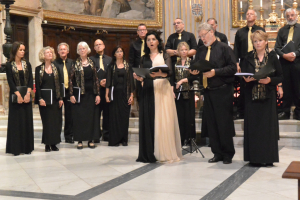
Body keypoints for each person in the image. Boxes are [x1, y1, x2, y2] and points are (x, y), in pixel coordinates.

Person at [134, 31, 182, 163]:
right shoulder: (144, 58)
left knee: (163, 120)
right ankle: (149, 152)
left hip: (162, 88)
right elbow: (143, 74)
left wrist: (159, 74)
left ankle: (164, 152)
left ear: (157, 41)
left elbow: (170, 72)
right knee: (150, 120)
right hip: (148, 89)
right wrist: (139, 77)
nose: (150, 42)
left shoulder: (164, 55)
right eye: (148, 40)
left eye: (153, 39)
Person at [196, 22, 236, 164]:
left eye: (204, 35)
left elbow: (233, 68)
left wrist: (216, 72)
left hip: (223, 90)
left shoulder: (224, 48)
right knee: (212, 124)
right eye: (200, 37)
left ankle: (227, 154)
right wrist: (195, 72)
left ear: (211, 32)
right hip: (208, 91)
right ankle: (217, 153)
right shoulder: (201, 51)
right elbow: (198, 68)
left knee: (223, 123)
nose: (202, 39)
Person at [241, 30, 282, 166]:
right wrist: (246, 80)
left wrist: (270, 80)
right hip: (252, 97)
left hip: (267, 97)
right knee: (254, 129)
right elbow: (243, 76)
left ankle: (268, 158)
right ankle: (254, 158)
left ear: (266, 42)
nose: (257, 43)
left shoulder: (272, 57)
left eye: (260, 40)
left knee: (267, 129)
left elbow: (280, 77)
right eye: (255, 41)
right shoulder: (247, 57)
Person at [234, 9, 265, 119]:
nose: (248, 15)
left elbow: (265, 46)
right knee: (244, 86)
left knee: (257, 83)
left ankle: (257, 109)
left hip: (257, 60)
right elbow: (236, 49)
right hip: (244, 61)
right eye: (247, 14)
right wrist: (237, 63)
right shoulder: (240, 32)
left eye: (251, 14)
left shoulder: (260, 30)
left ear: (255, 17)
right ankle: (242, 111)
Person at [69, 42, 101, 149]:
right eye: (80, 49)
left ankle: (91, 140)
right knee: (79, 118)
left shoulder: (92, 62)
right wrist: (71, 94)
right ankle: (79, 140)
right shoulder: (75, 63)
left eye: (84, 48)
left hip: (91, 94)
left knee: (91, 118)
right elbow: (70, 80)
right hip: (79, 95)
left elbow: (96, 79)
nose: (82, 50)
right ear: (78, 51)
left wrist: (97, 94)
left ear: (87, 50)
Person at [6, 41, 34, 156]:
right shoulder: (9, 64)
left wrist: (28, 94)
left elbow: (30, 81)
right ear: (15, 51)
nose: (22, 52)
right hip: (15, 97)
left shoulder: (27, 64)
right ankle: (16, 148)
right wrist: (18, 95)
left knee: (26, 121)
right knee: (16, 123)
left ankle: (27, 148)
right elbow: (10, 81)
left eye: (23, 50)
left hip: (26, 97)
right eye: (20, 50)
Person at [35, 46, 63, 152]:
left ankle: (54, 143)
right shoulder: (39, 69)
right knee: (47, 123)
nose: (50, 54)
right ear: (43, 55)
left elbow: (60, 84)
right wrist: (40, 98)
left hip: (55, 99)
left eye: (51, 52)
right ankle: (47, 144)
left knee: (55, 122)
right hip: (44, 100)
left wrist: (61, 98)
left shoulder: (56, 68)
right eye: (47, 52)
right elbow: (37, 85)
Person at [105, 46, 134, 146]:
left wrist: (132, 95)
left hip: (125, 94)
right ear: (114, 54)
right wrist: (106, 95)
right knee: (114, 117)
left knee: (124, 117)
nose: (120, 53)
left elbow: (131, 81)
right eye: (117, 51)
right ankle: (115, 140)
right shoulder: (111, 66)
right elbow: (108, 81)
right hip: (114, 94)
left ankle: (123, 139)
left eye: (121, 51)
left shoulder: (128, 66)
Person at [275, 8, 300, 120]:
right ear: (286, 17)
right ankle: (285, 111)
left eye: (292, 15)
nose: (290, 17)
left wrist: (295, 54)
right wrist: (284, 55)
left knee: (298, 87)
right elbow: (277, 47)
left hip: (297, 62)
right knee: (286, 87)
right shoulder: (282, 30)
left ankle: (298, 111)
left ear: (297, 15)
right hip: (284, 63)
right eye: (288, 15)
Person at [173, 42, 197, 146]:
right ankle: (181, 138)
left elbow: (194, 77)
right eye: (182, 50)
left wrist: (183, 80)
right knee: (180, 116)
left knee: (189, 116)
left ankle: (190, 138)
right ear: (178, 51)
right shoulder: (175, 63)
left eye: (185, 50)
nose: (184, 52)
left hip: (188, 91)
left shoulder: (191, 62)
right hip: (178, 93)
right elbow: (173, 78)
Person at [90, 39, 112, 142]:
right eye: (96, 45)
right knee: (95, 114)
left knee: (107, 114)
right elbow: (89, 75)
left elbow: (112, 73)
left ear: (104, 46)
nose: (98, 46)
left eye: (100, 44)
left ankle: (106, 135)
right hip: (95, 91)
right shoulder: (90, 60)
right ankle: (96, 136)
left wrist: (107, 81)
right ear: (94, 48)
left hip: (107, 91)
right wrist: (98, 82)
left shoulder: (110, 60)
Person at [53, 43, 74, 144]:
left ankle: (69, 136)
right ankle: (56, 137)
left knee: (69, 115)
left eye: (64, 49)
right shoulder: (54, 63)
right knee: (57, 116)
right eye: (60, 49)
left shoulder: (72, 62)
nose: (62, 51)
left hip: (69, 92)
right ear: (58, 52)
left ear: (68, 51)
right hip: (59, 92)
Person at [129, 23, 147, 103]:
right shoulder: (133, 44)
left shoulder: (150, 42)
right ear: (137, 32)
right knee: (140, 93)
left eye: (144, 30)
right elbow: (131, 61)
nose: (142, 32)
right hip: (138, 71)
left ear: (146, 31)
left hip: (149, 69)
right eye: (140, 30)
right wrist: (133, 72)